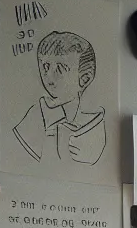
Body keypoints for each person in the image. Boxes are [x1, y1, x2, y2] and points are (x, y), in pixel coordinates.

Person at [12, 30, 106, 166]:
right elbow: (21, 155)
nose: (48, 74)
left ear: (85, 78)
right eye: (45, 66)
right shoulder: (37, 114)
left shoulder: (94, 122)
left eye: (60, 68)